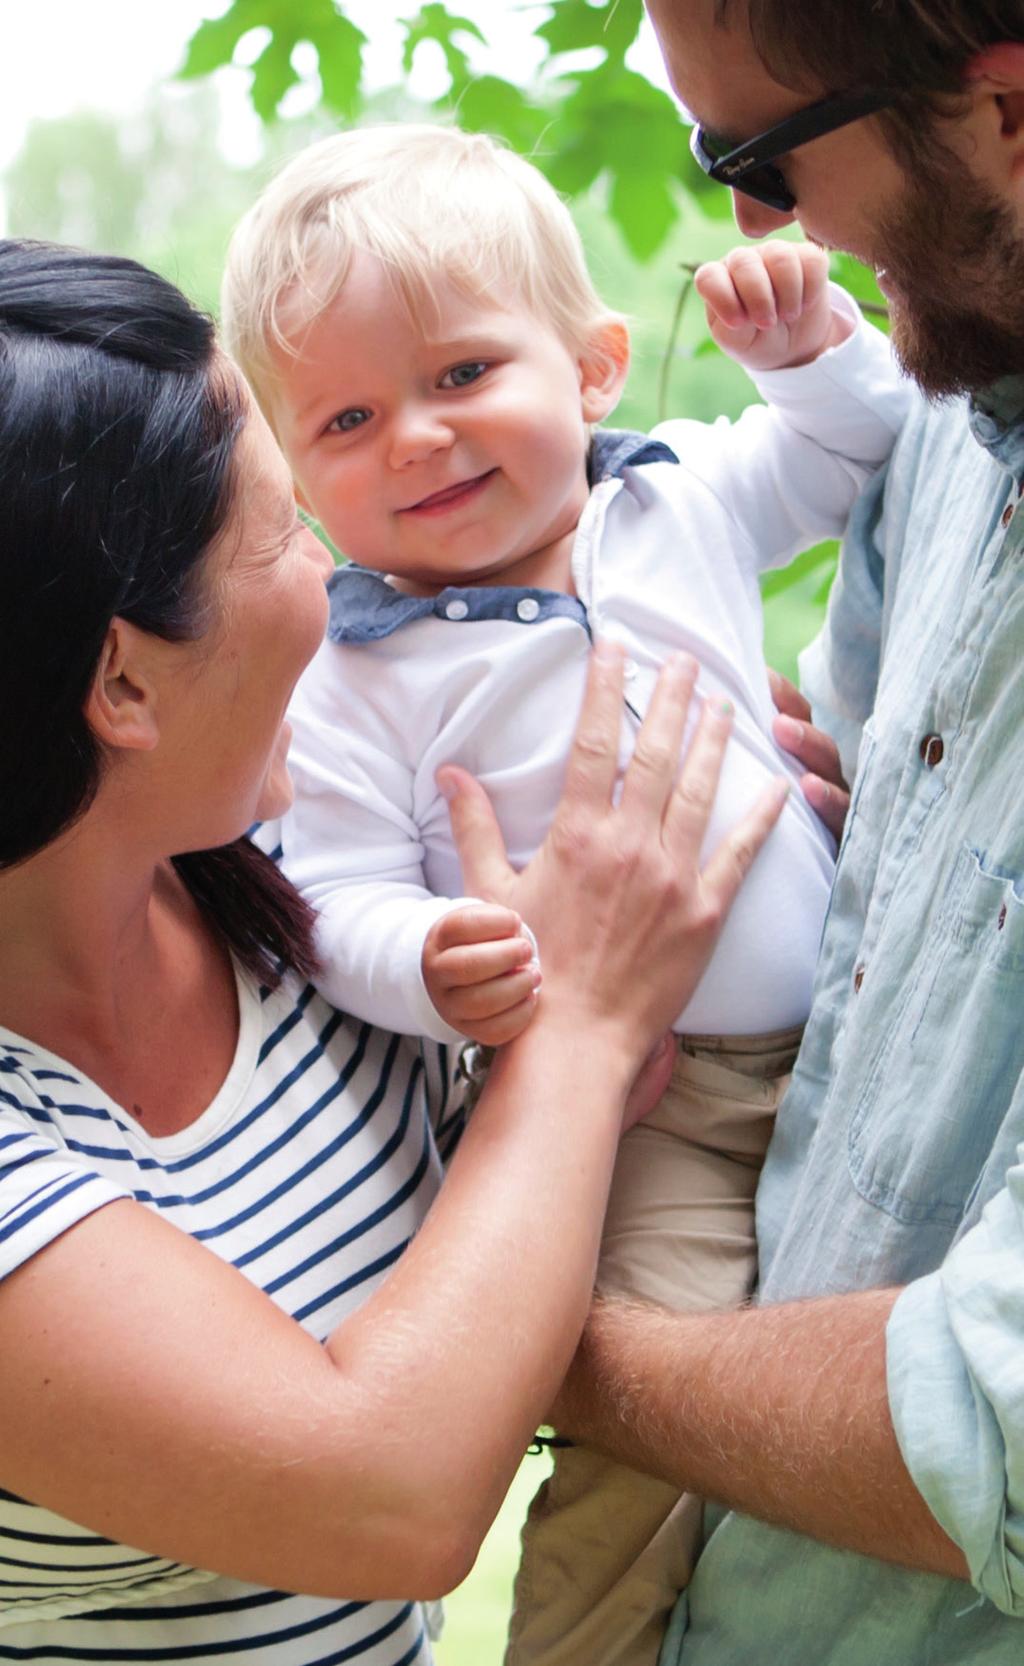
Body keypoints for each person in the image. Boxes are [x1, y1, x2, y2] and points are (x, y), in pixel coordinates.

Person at [0, 237, 786, 1664]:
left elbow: (505, 1226)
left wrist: (735, 818)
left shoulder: (281, 919)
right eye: (284, 529)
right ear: (121, 677)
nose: (339, 574)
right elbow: (390, 1493)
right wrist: (586, 1023)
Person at [219, 126, 908, 1666]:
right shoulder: (364, 672)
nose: (414, 436)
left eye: (462, 375)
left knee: (901, 1377)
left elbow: (868, 445)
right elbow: (326, 893)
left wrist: (809, 346)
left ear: (596, 369)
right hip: (659, 1103)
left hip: (873, 1021)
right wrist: (435, 956)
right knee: (653, 1443)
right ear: (299, 478)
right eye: (345, 416)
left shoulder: (678, 500)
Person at [498, 1, 1024, 1661]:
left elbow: (995, 1438)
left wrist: (524, 1330)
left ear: (1003, 109)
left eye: (763, 158)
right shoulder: (953, 412)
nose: (752, 225)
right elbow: (860, 801)